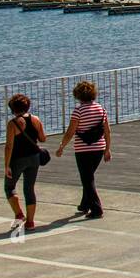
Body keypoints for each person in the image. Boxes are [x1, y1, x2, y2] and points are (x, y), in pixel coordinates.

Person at [56, 80, 111, 219]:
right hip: (99, 147)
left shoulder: (78, 111)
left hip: (83, 150)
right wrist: (107, 149)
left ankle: (97, 209)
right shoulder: (101, 109)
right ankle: (84, 204)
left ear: (78, 96)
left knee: (87, 179)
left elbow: (71, 131)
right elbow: (107, 131)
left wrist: (62, 145)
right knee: (89, 176)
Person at [3, 93, 46, 231]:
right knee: (29, 189)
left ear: (13, 109)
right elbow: (42, 138)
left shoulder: (13, 124)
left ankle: (19, 214)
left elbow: (9, 146)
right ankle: (31, 222)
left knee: (9, 187)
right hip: (34, 158)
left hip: (17, 159)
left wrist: (6, 165)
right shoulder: (36, 119)